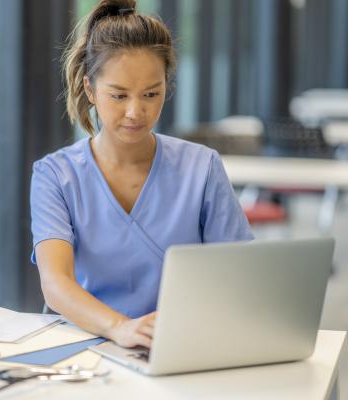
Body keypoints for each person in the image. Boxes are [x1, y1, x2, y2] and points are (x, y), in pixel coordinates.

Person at [30, 0, 253, 349]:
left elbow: (240, 273)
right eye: (118, 95)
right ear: (90, 90)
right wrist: (120, 328)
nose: (136, 112)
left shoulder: (202, 167)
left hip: (181, 343)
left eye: (152, 94)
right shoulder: (55, 176)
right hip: (87, 345)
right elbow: (55, 283)